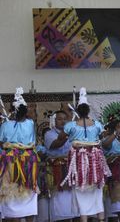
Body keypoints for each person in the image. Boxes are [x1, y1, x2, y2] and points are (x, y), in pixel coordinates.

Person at [59, 87, 111, 222]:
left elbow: (61, 137)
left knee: (82, 190)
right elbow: (101, 135)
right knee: (96, 191)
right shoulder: (97, 124)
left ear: (77, 110)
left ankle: (84, 218)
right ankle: (100, 218)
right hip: (94, 161)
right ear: (88, 110)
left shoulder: (71, 125)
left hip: (79, 161)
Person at [0, 87, 38, 221]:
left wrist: (10, 146)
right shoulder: (30, 123)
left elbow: (1, 143)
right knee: (28, 189)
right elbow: (33, 142)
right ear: (25, 110)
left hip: (10, 160)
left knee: (12, 189)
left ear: (12, 110)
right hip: (28, 159)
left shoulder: (5, 126)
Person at [44, 110, 79, 221]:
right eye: (59, 119)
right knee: (59, 199)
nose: (63, 121)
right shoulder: (49, 134)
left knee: (72, 199)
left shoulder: (72, 133)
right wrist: (66, 135)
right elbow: (55, 144)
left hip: (71, 168)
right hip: (56, 169)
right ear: (54, 121)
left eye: (65, 119)